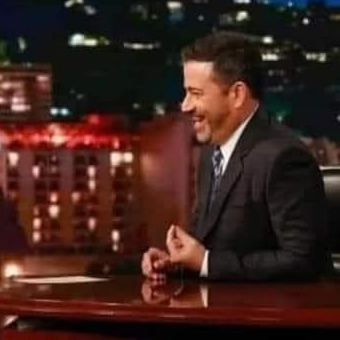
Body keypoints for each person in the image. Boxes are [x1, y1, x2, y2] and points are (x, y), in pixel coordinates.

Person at [142, 31, 331, 283]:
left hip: (272, 308)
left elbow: (303, 261)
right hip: (219, 303)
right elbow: (208, 249)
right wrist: (176, 262)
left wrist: (206, 262)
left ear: (237, 95)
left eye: (196, 93)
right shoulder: (211, 152)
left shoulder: (285, 158)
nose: (185, 105)